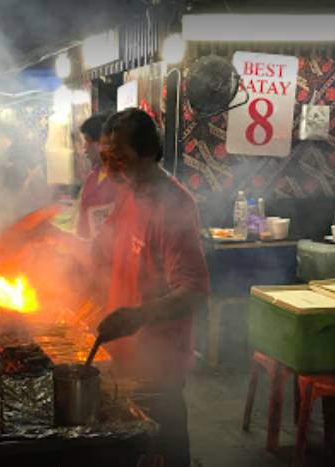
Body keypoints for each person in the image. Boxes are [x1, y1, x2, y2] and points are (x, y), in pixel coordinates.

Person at [92, 109, 210, 467]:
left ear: (148, 154)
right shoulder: (129, 193)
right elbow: (103, 248)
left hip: (158, 366)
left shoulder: (175, 207)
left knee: (164, 449)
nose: (110, 168)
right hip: (122, 358)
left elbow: (193, 293)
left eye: (119, 158)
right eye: (104, 158)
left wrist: (139, 316)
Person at [76, 113, 117, 239]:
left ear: (102, 143)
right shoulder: (92, 177)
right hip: (86, 250)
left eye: (88, 141)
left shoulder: (121, 180)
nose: (85, 148)